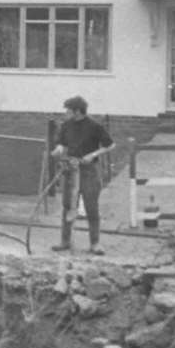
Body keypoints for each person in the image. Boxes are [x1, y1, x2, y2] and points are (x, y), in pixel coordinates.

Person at [50, 95, 114, 255]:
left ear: (77, 111)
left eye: (68, 110)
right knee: (68, 206)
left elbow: (110, 145)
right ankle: (65, 241)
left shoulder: (94, 126)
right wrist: (58, 149)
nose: (66, 113)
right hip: (71, 170)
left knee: (92, 207)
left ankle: (95, 243)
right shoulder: (66, 125)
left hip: (89, 171)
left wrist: (93, 155)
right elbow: (61, 142)